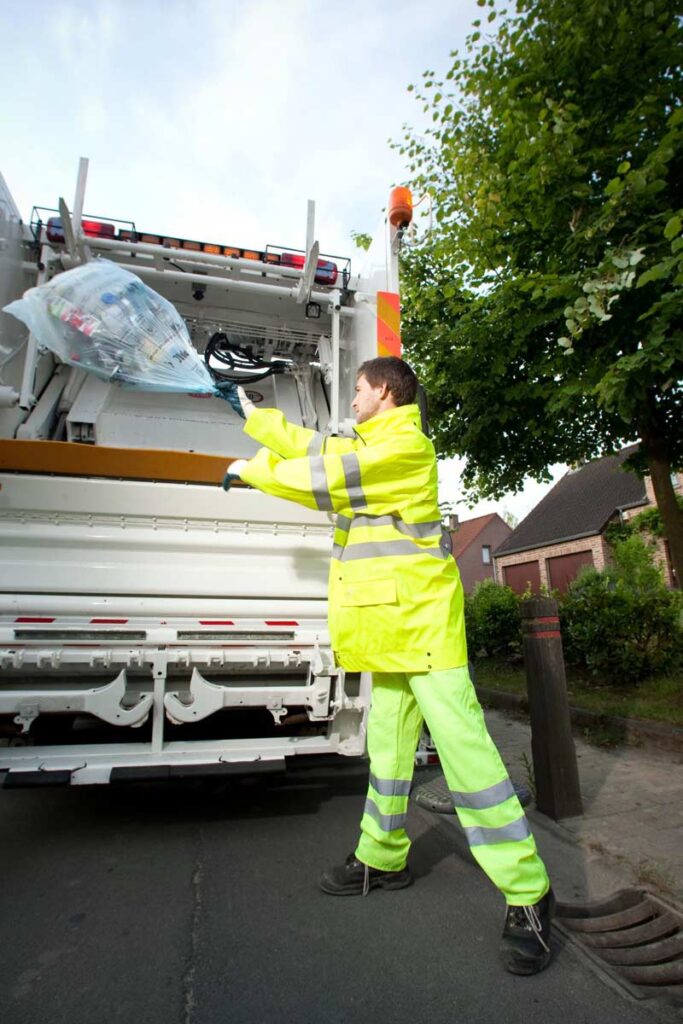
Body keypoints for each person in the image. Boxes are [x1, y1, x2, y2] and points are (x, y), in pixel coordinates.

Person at [223, 356, 554, 976]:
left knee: (469, 760)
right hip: (391, 626)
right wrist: (256, 421)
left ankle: (530, 894)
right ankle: (382, 856)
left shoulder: (406, 448)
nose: (350, 398)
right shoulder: (369, 443)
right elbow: (317, 447)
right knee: (389, 752)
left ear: (383, 391)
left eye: (356, 389)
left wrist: (253, 470)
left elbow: (325, 477)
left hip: (422, 628)